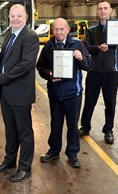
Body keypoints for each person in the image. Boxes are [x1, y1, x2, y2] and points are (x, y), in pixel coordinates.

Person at [0, 4, 39, 182]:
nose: (16, 19)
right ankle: (10, 161)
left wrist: (2, 76)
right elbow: (6, 60)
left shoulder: (30, 36)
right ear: (8, 17)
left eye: (19, 16)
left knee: (24, 132)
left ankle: (25, 167)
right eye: (13, 16)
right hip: (6, 93)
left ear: (26, 18)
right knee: (10, 130)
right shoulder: (10, 34)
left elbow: (26, 64)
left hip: (20, 93)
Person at [36, 18, 93, 168]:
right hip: (55, 94)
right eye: (56, 29)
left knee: (72, 125)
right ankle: (54, 151)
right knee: (56, 123)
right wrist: (49, 74)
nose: (59, 32)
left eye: (62, 29)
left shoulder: (78, 44)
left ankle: (72, 154)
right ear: (52, 31)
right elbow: (40, 67)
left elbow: (88, 66)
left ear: (68, 30)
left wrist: (81, 58)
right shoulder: (49, 46)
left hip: (73, 94)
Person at [78, 1, 118, 144]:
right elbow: (86, 48)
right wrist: (98, 48)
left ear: (110, 10)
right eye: (100, 9)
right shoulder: (91, 30)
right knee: (90, 101)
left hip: (111, 72)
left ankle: (108, 130)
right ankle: (85, 127)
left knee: (110, 103)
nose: (103, 11)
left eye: (105, 8)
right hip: (94, 71)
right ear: (97, 11)